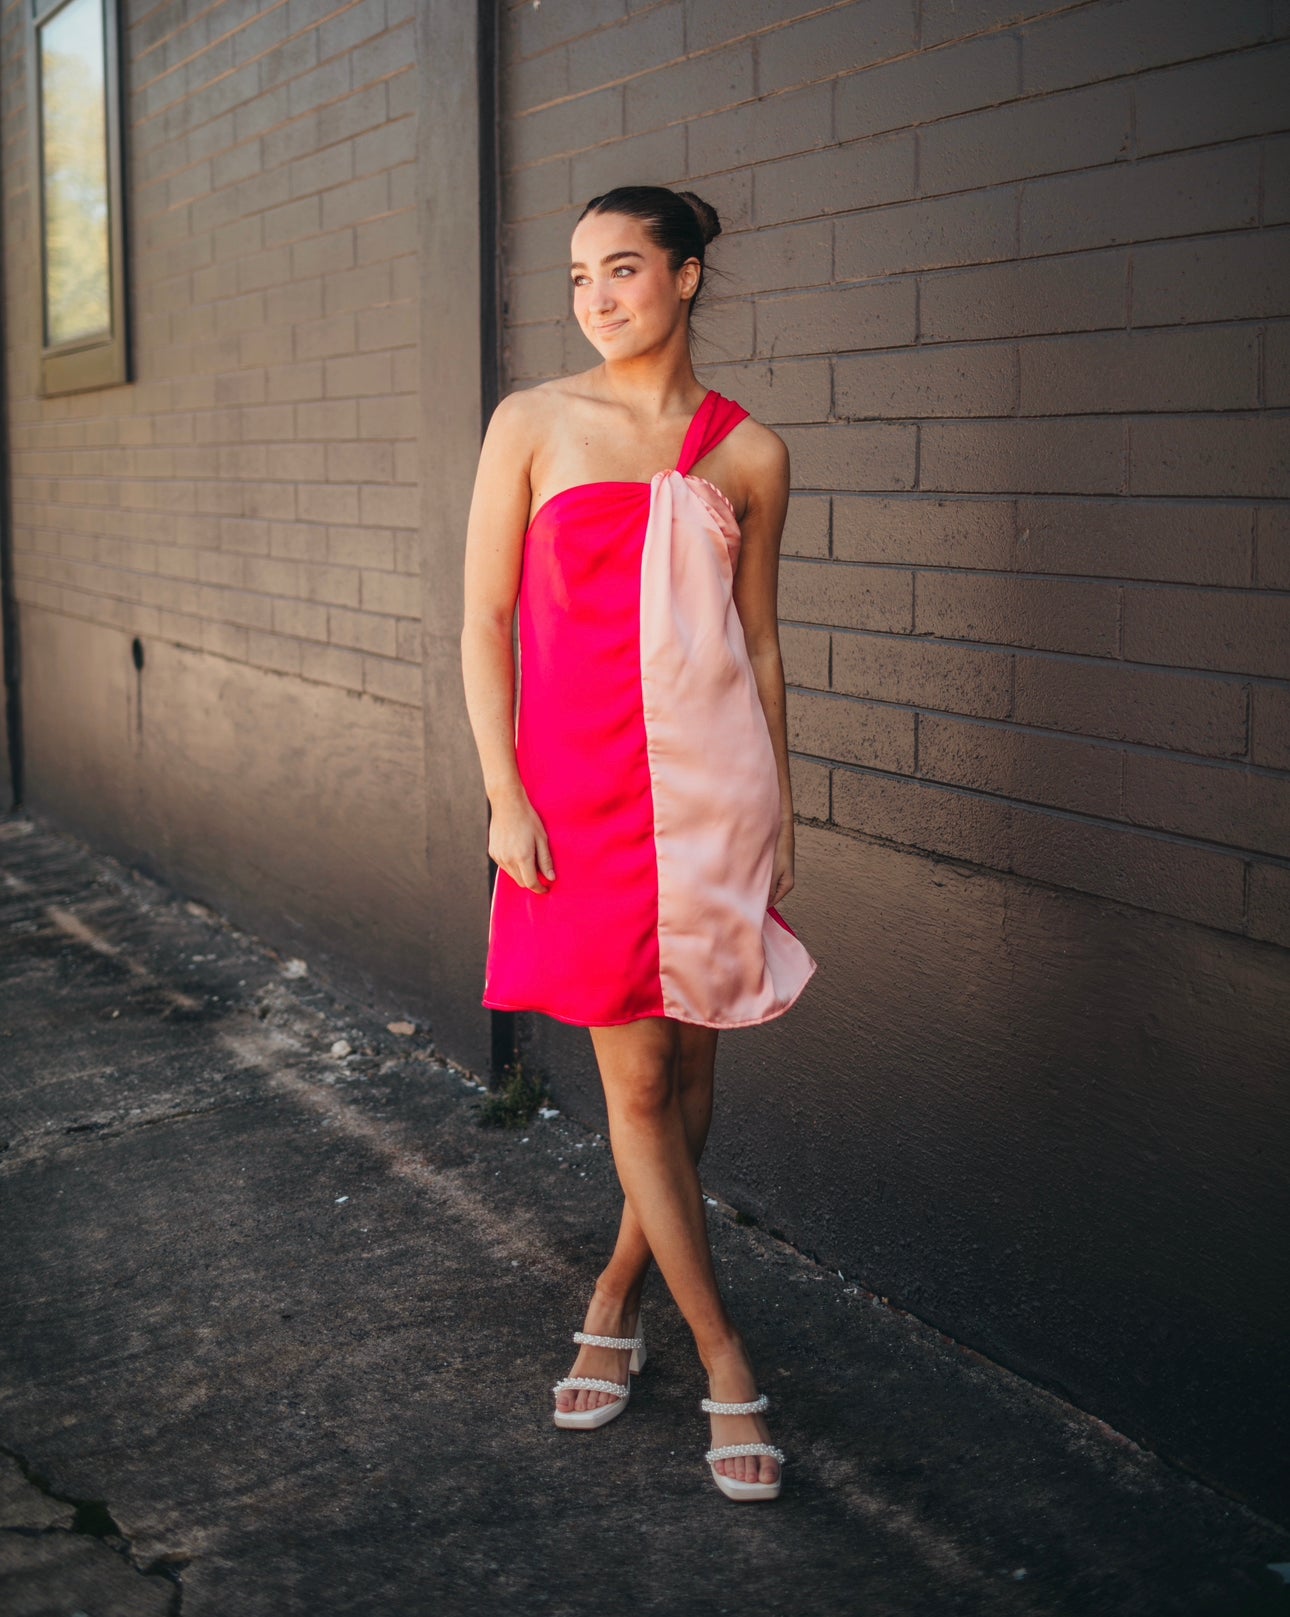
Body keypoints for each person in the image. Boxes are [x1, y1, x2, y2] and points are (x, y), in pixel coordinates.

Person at [460, 184, 818, 1502]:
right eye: (577, 276)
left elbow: (762, 645)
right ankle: (727, 1361)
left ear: (688, 278)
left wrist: (784, 809)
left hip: (714, 796)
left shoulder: (751, 454)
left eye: (622, 269)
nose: (597, 296)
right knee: (633, 1086)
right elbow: (482, 620)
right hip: (578, 801)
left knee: (692, 1082)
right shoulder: (533, 424)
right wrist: (504, 795)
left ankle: (615, 1292)